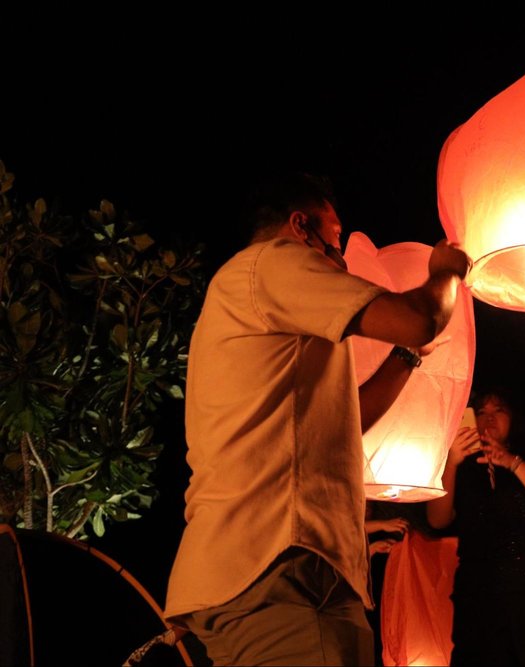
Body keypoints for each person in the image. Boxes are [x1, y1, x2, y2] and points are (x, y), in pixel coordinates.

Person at [162, 171, 470, 666]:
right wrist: (446, 271)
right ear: (301, 226)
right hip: (279, 568)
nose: (341, 255)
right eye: (336, 236)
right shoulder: (273, 264)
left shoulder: (254, 296)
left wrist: (409, 356)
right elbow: (419, 317)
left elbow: (348, 421)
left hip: (255, 571)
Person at [426, 386, 525, 666]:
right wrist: (451, 463)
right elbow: (437, 519)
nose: (489, 419)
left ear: (513, 417)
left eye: (499, 411)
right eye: (481, 412)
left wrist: (511, 462)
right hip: (479, 593)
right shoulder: (458, 465)